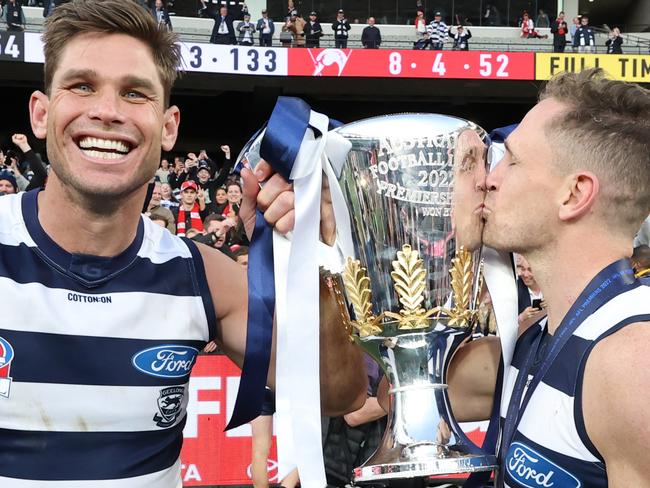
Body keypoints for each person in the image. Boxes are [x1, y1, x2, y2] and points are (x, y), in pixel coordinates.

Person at [0, 1, 368, 485]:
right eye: (82, 85)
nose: (107, 111)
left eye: (135, 93)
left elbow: (339, 395)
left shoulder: (203, 275)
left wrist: (315, 254)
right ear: (41, 113)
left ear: (169, 126)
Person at [443, 68, 650, 487]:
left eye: (512, 160)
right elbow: (377, 398)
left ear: (574, 194)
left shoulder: (631, 363)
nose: (489, 179)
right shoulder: (532, 335)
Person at [515, 254, 547, 334]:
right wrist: (521, 318)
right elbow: (504, 323)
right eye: (523, 269)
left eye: (530, 270)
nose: (525, 274)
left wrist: (551, 308)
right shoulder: (515, 288)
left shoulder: (549, 288)